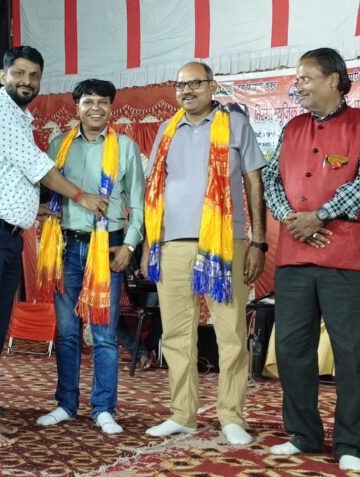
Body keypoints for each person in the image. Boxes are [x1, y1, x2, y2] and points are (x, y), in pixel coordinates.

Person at [0, 45, 107, 448]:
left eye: (34, 76)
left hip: (4, 238)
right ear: (3, 74)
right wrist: (81, 196)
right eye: (19, 73)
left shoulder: (20, 118)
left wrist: (33, 210)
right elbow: (38, 168)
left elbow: (13, 178)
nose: (27, 81)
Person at [260, 47, 360, 472]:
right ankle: (303, 433)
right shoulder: (292, 127)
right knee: (291, 349)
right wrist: (291, 218)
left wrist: (320, 216)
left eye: (306, 78)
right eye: (297, 79)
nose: (298, 85)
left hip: (347, 258)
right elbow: (272, 179)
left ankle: (352, 443)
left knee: (353, 354)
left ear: (334, 80)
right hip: (294, 257)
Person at [140, 61, 267, 446]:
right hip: (172, 244)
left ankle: (231, 416)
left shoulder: (235, 124)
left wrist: (258, 241)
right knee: (176, 334)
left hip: (226, 243)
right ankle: (183, 414)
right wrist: (149, 245)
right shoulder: (167, 129)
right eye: (181, 85)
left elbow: (254, 183)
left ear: (212, 86)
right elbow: (154, 190)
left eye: (196, 83)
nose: (187, 91)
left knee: (231, 333)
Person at [34, 79, 144, 434]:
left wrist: (129, 245)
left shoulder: (125, 147)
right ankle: (66, 404)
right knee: (67, 332)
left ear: (111, 107)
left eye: (102, 102)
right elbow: (43, 189)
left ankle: (103, 408)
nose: (95, 108)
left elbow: (138, 203)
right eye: (88, 102)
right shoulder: (59, 145)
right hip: (66, 246)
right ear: (77, 107)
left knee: (104, 333)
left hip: (107, 246)